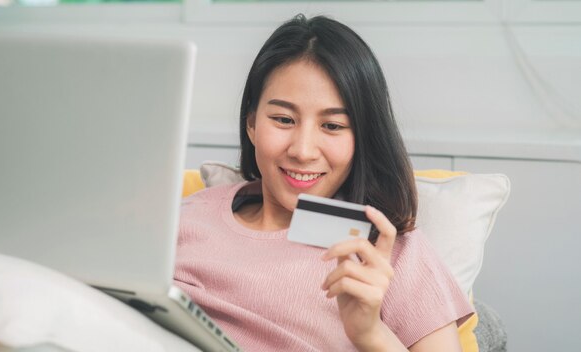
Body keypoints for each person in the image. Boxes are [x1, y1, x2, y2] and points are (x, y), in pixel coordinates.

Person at [174, 14, 473, 351]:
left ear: (363, 137)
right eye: (283, 119)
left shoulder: (391, 253)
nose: (302, 151)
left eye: (332, 126)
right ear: (252, 124)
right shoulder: (188, 214)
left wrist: (370, 333)